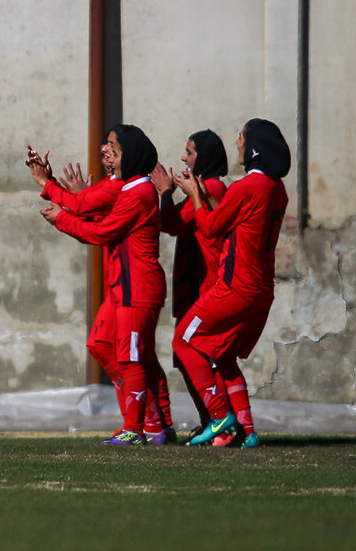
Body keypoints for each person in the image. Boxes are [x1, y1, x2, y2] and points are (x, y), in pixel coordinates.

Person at [40, 125, 167, 445]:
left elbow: (100, 232)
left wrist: (60, 218)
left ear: (131, 155)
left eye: (114, 148)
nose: (106, 152)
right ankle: (152, 423)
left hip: (136, 289)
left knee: (133, 358)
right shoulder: (124, 187)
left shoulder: (138, 191)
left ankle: (137, 428)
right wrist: (53, 188)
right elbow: (87, 207)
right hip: (122, 288)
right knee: (102, 346)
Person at [171, 119, 290, 448]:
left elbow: (209, 228)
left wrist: (195, 195)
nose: (237, 143)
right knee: (222, 356)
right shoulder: (276, 188)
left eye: (241, 137)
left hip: (235, 286)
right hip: (261, 290)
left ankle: (221, 417)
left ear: (254, 148)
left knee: (183, 342)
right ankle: (247, 431)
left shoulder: (247, 187)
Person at [150, 130, 229, 442]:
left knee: (198, 355)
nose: (183, 157)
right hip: (194, 285)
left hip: (206, 286)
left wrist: (166, 193)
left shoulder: (211, 187)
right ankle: (212, 420)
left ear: (205, 157)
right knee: (186, 356)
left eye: (190, 152)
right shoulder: (202, 186)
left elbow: (173, 224)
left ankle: (222, 422)